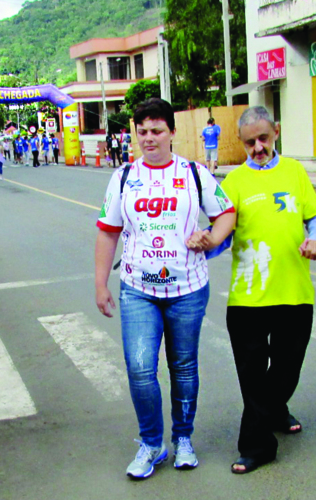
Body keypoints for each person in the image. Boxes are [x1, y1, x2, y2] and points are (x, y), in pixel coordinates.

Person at [94, 98, 236, 480]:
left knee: (183, 366)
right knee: (140, 368)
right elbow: (108, 232)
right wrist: (100, 283)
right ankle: (151, 443)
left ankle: (184, 438)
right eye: (142, 132)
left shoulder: (193, 173)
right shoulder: (123, 177)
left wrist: (210, 237)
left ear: (172, 132)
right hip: (138, 288)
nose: (149, 138)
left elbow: (226, 213)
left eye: (156, 131)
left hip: (188, 288)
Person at [216, 106, 316, 474]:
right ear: (242, 143)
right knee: (252, 374)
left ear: (276, 132)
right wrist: (206, 239)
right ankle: (256, 445)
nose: (258, 147)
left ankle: (277, 409)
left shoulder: (295, 172)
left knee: (286, 368)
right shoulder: (233, 182)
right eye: (250, 142)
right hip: (248, 298)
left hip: (294, 292)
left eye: (263, 138)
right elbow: (222, 233)